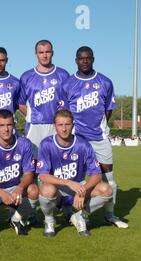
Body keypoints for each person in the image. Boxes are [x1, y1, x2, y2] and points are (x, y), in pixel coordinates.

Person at [61, 46, 128, 229]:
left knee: (109, 180)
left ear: (93, 59)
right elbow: (65, 113)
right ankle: (72, 211)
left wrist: (97, 128)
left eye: (88, 58)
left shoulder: (105, 82)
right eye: (81, 58)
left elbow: (108, 110)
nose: (84, 61)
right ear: (76, 60)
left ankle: (109, 215)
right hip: (77, 140)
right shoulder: (67, 84)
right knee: (77, 180)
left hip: (99, 139)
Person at [37, 109, 113, 237]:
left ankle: (79, 215)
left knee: (107, 189)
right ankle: (49, 220)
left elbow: (97, 175)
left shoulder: (83, 145)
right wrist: (68, 183)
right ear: (54, 126)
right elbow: (43, 175)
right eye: (60, 125)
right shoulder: (46, 144)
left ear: (73, 124)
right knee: (47, 190)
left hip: (78, 185)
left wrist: (83, 190)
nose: (64, 128)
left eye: (67, 124)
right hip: (57, 189)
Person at [0, 110, 38, 236]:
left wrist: (20, 188)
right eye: (2, 125)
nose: (6, 129)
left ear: (14, 125)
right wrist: (1, 193)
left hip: (15, 188)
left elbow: (29, 174)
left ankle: (15, 219)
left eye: (9, 125)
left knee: (34, 190)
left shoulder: (24, 144)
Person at [19, 40, 69, 156]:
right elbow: (21, 103)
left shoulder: (63, 75)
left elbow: (68, 103)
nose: (44, 55)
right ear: (35, 54)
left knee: (57, 161)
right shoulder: (26, 76)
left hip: (56, 126)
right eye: (41, 52)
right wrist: (33, 115)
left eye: (48, 52)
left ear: (53, 53)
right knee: (33, 163)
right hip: (34, 126)